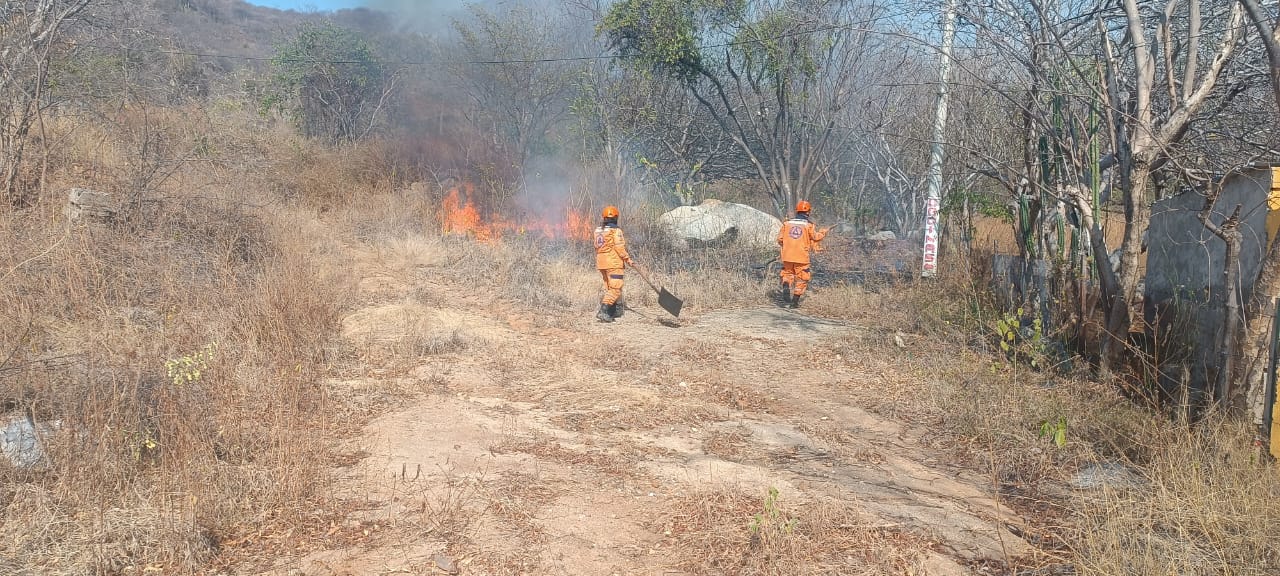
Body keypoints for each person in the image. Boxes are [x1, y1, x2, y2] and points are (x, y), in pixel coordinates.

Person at [776, 200, 830, 308]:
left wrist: (787, 246)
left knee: (787, 274)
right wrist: (823, 232)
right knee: (802, 278)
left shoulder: (787, 223)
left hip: (787, 255)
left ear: (797, 211)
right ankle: (794, 302)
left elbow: (780, 239)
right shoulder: (809, 225)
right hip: (801, 257)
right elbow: (815, 237)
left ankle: (786, 285)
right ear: (808, 212)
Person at [594, 205, 634, 322]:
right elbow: (619, 247)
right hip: (614, 263)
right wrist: (628, 259)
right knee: (615, 288)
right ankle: (604, 311)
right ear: (616, 217)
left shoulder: (598, 231)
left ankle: (613, 310)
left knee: (610, 287)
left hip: (602, 263)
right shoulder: (616, 231)